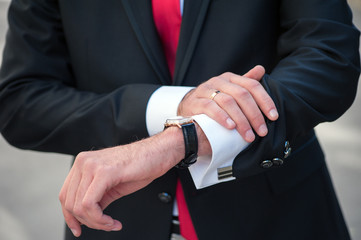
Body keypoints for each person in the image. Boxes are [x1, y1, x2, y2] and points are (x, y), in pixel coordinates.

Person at [0, 0, 359, 239]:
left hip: (276, 218)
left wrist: (182, 139)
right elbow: (21, 101)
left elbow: (329, 57)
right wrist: (171, 107)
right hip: (116, 224)